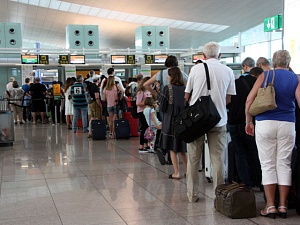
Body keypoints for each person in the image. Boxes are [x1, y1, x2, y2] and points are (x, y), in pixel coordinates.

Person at [245, 50, 300, 219]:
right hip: (287, 124)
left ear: (274, 63)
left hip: (265, 122)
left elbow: (249, 100)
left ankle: (270, 206)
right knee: (284, 164)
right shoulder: (296, 78)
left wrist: (248, 121)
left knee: (267, 164)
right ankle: (283, 205)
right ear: (288, 63)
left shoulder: (265, 75)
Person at [185, 42, 236, 203]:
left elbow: (187, 96)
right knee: (218, 158)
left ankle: (192, 195)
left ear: (203, 56)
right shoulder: (228, 71)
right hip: (218, 120)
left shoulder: (195, 69)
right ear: (220, 55)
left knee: (193, 158)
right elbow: (228, 99)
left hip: (196, 121)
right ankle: (218, 195)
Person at [227, 67, 264, 188]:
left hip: (233, 122)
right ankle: (258, 181)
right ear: (258, 76)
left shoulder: (236, 83)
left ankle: (245, 183)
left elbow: (228, 101)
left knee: (240, 153)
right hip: (249, 123)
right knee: (254, 152)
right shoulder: (257, 84)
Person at [159, 67, 188, 179]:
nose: (167, 77)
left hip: (170, 121)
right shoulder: (185, 88)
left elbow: (162, 107)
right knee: (182, 149)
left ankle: (177, 172)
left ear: (172, 76)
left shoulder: (168, 88)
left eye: (169, 75)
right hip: (183, 122)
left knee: (172, 148)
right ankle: (188, 172)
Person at [103, 74, 124, 138]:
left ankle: (111, 133)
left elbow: (104, 99)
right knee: (115, 119)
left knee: (110, 120)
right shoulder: (116, 87)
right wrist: (120, 98)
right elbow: (123, 91)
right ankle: (114, 133)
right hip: (115, 104)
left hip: (109, 105)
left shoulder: (105, 88)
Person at [136, 77, 152, 153]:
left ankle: (146, 144)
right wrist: (147, 102)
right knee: (144, 127)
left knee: (147, 127)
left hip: (147, 111)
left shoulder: (148, 91)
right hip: (142, 111)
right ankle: (141, 145)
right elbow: (138, 103)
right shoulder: (140, 92)